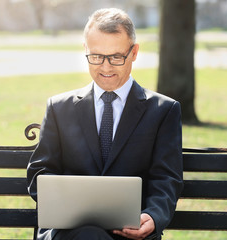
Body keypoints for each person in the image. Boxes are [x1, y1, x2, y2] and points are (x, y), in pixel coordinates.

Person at [27, 8, 183, 240]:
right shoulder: (60, 108)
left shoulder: (163, 111)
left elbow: (166, 178)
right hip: (71, 232)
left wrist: (152, 216)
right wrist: (66, 204)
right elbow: (40, 173)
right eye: (97, 56)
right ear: (85, 51)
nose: (106, 67)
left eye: (116, 57)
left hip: (131, 232)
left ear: (134, 52)